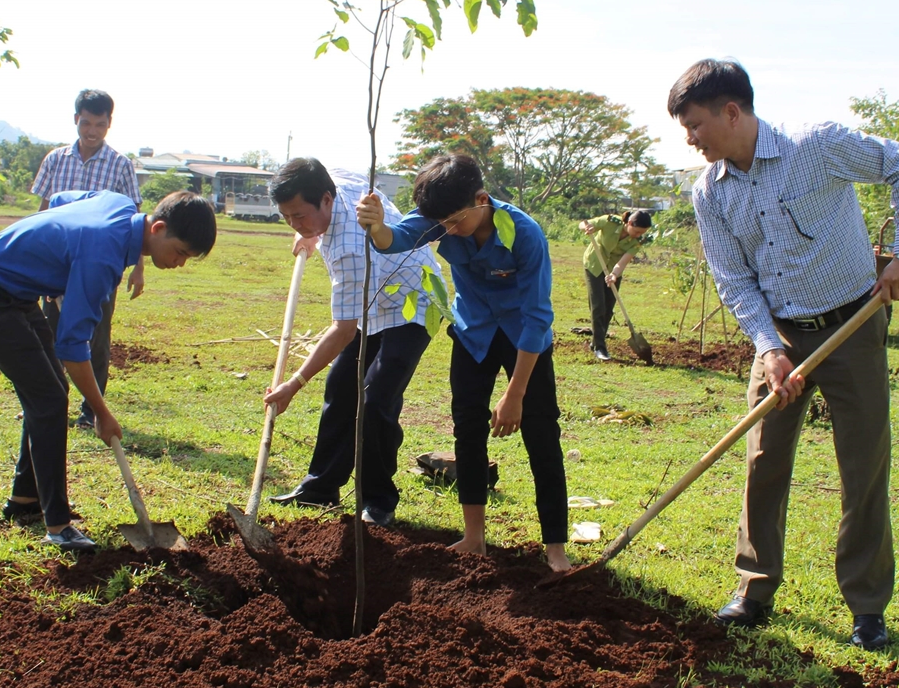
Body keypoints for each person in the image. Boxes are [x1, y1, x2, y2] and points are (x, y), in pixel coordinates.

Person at [670, 59, 899, 650]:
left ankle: (867, 607)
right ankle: (754, 587)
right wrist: (768, 349)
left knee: (863, 465)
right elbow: (733, 279)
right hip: (780, 334)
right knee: (764, 460)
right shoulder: (708, 193)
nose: (690, 138)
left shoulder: (818, 147)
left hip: (853, 324)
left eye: (695, 124)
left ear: (732, 112)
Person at [0, 189, 216, 551]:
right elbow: (73, 347)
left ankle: (25, 499)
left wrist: (55, 258)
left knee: (50, 394)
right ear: (157, 228)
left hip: (17, 291)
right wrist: (100, 411)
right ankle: (58, 526)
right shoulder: (102, 258)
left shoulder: (119, 205)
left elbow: (62, 200)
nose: (179, 263)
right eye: (180, 253)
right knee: (47, 399)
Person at [356, 154, 571, 572]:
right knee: (467, 429)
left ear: (481, 198)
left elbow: (538, 317)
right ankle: (474, 538)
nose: (448, 231)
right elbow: (394, 240)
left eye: (456, 221)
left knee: (542, 435)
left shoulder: (524, 235)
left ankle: (556, 550)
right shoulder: (440, 216)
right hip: (474, 334)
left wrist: (515, 395)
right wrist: (376, 225)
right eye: (442, 224)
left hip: (525, 340)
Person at [263, 157, 441, 525]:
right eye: (287, 216)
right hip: (371, 298)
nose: (294, 224)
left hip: (412, 301)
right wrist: (307, 231)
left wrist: (293, 384)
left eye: (299, 215)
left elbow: (343, 330)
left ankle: (378, 501)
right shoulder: (338, 181)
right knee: (341, 384)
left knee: (376, 399)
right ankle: (321, 487)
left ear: (327, 200)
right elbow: (335, 172)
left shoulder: (349, 245)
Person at [29, 90, 142, 430]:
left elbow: (134, 218)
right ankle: (47, 403)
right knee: (47, 333)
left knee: (96, 335)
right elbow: (43, 211)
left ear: (109, 124)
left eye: (100, 124)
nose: (92, 131)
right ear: (75, 119)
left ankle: (91, 410)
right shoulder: (55, 160)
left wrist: (138, 266)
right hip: (55, 263)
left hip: (99, 263)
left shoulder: (120, 165)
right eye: (86, 123)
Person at [579, 208, 652, 360]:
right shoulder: (610, 221)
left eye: (642, 233)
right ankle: (600, 347)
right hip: (594, 264)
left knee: (609, 307)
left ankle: (596, 340)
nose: (639, 235)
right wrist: (587, 227)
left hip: (613, 269)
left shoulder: (637, 242)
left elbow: (623, 261)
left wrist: (614, 275)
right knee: (598, 305)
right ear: (629, 223)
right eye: (637, 231)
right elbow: (584, 223)